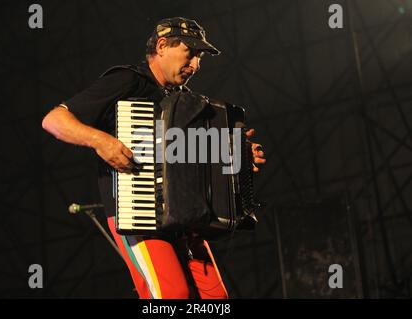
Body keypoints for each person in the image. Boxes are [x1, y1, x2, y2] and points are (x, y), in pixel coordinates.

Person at [42, 17, 266, 299]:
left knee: (215, 298)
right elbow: (54, 120)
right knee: (171, 295)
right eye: (191, 53)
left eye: (199, 57)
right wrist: (101, 141)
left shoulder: (187, 102)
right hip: (140, 212)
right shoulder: (129, 81)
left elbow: (200, 162)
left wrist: (241, 159)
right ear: (162, 46)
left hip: (186, 220)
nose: (195, 65)